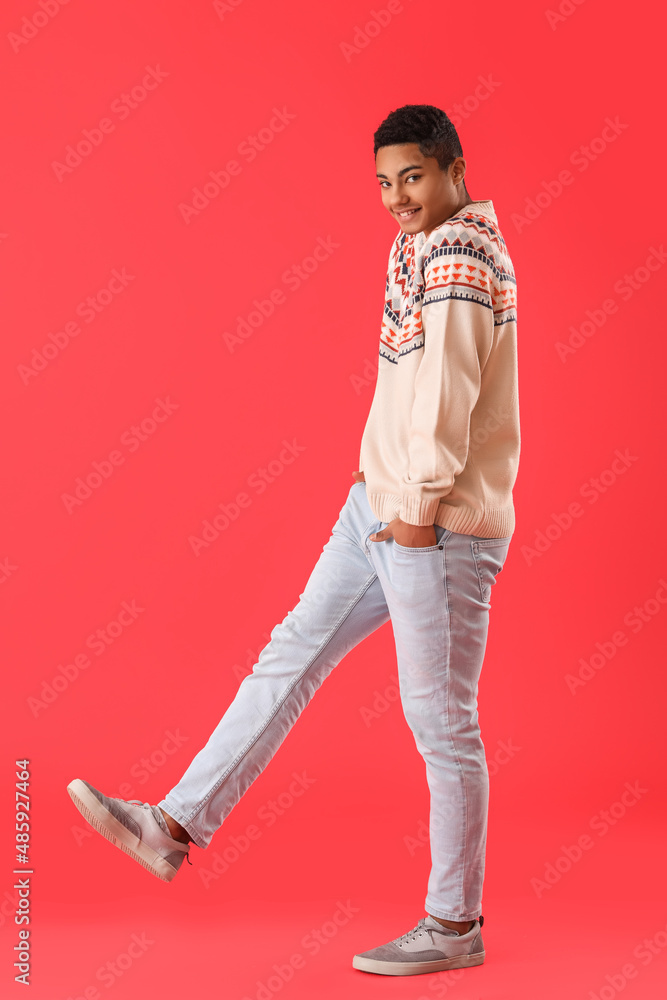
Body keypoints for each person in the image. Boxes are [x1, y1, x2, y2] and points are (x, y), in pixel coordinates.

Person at [67, 103, 520, 977]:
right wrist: (375, 478)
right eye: (385, 184)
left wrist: (415, 507)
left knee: (442, 727)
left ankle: (453, 925)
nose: (397, 197)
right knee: (289, 655)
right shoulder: (418, 244)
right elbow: (405, 386)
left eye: (414, 177)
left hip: (432, 527)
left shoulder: (461, 252)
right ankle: (171, 824)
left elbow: (446, 395)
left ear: (456, 167)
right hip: (380, 508)